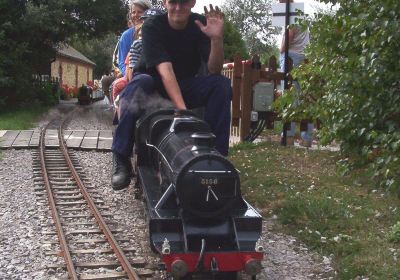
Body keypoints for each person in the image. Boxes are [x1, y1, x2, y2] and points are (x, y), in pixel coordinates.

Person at [110, 0, 232, 190]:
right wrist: (184, 112)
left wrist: (216, 39)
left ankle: (216, 156)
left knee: (221, 85)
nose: (178, 7)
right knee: (139, 84)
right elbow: (166, 71)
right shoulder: (153, 26)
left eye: (183, 2)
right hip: (153, 83)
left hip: (184, 83)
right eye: (173, 2)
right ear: (166, 3)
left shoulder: (200, 24)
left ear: (192, 3)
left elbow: (214, 70)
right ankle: (121, 157)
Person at [279, 0, 312, 147]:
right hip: (304, 57)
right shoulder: (300, 13)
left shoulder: (291, 14)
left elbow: (288, 39)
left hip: (291, 57)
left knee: (289, 96)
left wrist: (281, 48)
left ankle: (288, 136)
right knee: (305, 97)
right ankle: (307, 137)